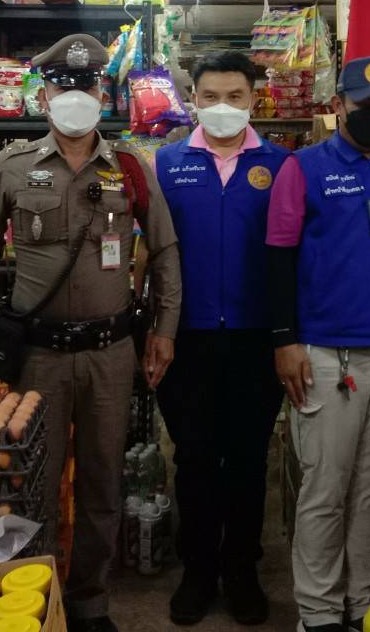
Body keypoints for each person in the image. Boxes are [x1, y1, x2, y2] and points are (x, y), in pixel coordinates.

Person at [0, 33, 181, 632]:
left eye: (86, 85)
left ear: (102, 94)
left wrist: (164, 329)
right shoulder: (14, 166)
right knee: (35, 480)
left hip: (110, 353)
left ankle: (88, 601)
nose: (75, 95)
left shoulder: (129, 168)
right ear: (43, 96)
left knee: (103, 484)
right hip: (39, 357)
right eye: (62, 85)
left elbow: (164, 250)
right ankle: (36, 596)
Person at [265, 56, 370, 632]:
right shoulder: (303, 168)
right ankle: (318, 613)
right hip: (328, 356)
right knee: (325, 489)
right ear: (338, 105)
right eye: (364, 104)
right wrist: (285, 340)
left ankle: (361, 602)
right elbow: (278, 258)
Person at [154, 51, 290, 626]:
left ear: (254, 100)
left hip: (258, 338)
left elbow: (296, 253)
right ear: (193, 99)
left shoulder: (283, 165)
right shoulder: (166, 164)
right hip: (186, 337)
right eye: (210, 97)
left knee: (250, 459)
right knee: (194, 458)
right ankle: (198, 570)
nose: (222, 107)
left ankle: (241, 570)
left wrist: (291, 335)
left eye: (235, 97)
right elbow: (148, 251)